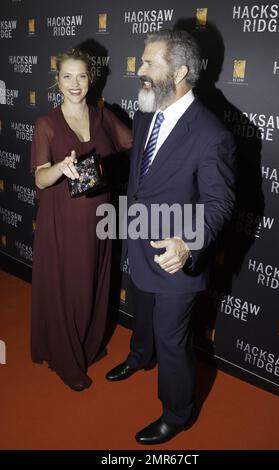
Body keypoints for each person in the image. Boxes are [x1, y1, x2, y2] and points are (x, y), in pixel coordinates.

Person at [106, 30, 236, 444]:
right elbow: (141, 179)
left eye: (148, 63)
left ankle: (177, 412)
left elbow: (219, 204)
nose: (138, 69)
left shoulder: (212, 134)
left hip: (176, 257)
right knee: (141, 314)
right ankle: (139, 357)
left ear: (179, 71)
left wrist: (187, 242)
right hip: (139, 242)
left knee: (173, 338)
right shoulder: (147, 111)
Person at [31, 48, 132, 391]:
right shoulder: (46, 124)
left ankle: (87, 344)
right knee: (68, 287)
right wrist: (58, 167)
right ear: (57, 80)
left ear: (92, 79)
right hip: (62, 222)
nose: (75, 84)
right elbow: (39, 179)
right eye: (67, 76)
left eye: (82, 76)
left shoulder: (104, 118)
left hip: (99, 218)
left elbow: (132, 142)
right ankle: (65, 358)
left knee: (94, 282)